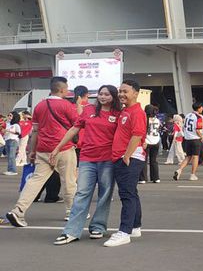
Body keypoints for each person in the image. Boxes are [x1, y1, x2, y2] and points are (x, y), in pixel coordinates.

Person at [51, 85, 121, 245]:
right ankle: (71, 231)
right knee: (82, 193)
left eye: (107, 94)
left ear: (113, 97)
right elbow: (73, 129)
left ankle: (98, 227)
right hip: (87, 159)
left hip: (108, 160)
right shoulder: (89, 110)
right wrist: (58, 147)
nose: (103, 97)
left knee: (105, 194)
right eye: (101, 94)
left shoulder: (118, 114)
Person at [5, 77, 79, 227]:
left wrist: (32, 151)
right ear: (62, 90)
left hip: (43, 149)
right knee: (69, 181)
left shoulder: (40, 106)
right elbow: (77, 126)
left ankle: (18, 211)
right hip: (63, 148)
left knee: (35, 181)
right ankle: (72, 211)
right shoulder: (67, 106)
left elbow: (35, 131)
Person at [105, 80, 147, 248]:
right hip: (123, 156)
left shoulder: (136, 112)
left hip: (129, 157)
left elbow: (137, 135)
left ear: (136, 93)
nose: (121, 94)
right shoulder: (125, 111)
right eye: (120, 91)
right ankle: (135, 227)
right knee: (131, 193)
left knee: (127, 195)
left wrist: (127, 156)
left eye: (125, 91)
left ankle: (124, 232)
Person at [174, 102, 203, 181]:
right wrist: (202, 137)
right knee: (195, 157)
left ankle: (179, 170)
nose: (202, 109)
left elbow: (184, 127)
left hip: (187, 139)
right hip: (195, 139)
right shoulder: (199, 117)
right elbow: (197, 130)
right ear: (199, 108)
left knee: (188, 157)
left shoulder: (187, 115)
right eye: (201, 107)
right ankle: (192, 174)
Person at [140, 104, 161, 183]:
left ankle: (143, 178)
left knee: (143, 160)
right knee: (154, 160)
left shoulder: (144, 119)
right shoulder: (157, 120)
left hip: (146, 141)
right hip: (156, 141)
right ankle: (156, 178)